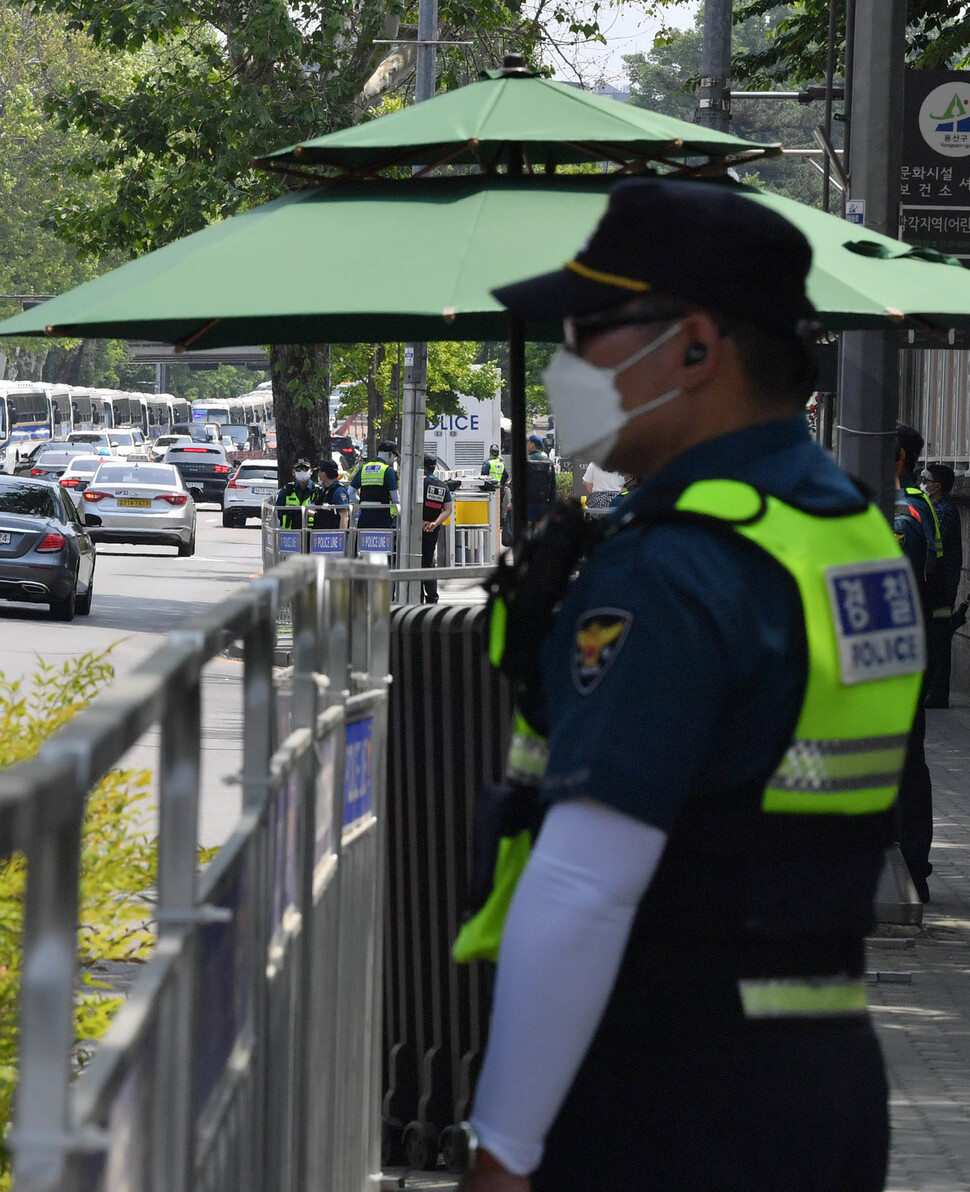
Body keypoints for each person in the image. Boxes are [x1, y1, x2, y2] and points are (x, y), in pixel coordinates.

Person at [457, 178, 926, 1192]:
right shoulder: (843, 532)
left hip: (669, 1092)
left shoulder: (675, 566)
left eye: (591, 329)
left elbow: (583, 886)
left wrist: (501, 1148)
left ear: (697, 346)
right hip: (820, 1081)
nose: (566, 362)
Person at [922, 462, 963, 707]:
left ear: (936, 487)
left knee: (940, 636)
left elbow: (933, 546)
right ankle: (935, 691)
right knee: (936, 635)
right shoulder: (934, 508)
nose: (922, 484)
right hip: (937, 585)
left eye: (926, 480)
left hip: (942, 588)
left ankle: (938, 693)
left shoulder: (944, 511)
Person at [421, 455, 453, 604]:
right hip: (432, 530)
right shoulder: (442, 485)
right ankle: (432, 597)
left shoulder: (418, 482)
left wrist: (419, 522)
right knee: (428, 562)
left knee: (412, 561)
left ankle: (416, 595)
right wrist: (434, 523)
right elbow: (447, 510)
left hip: (416, 529)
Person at [349, 439, 400, 529]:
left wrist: (362, 504)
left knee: (363, 542)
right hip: (382, 518)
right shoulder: (388, 470)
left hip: (364, 518)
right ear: (390, 454)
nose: (393, 460)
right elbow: (396, 499)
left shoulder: (364, 468)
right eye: (395, 457)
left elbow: (350, 493)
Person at [274, 458, 317, 530]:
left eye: (305, 469)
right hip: (290, 534)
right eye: (298, 469)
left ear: (311, 471)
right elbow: (278, 511)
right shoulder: (286, 490)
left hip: (311, 534)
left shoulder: (317, 491)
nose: (302, 471)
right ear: (293, 472)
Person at [525, 435, 556, 525]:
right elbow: (553, 484)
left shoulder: (525, 460)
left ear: (532, 445)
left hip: (527, 503)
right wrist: (552, 503)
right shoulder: (548, 461)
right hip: (543, 502)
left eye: (527, 442)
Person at [312, 459, 351, 530]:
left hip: (333, 536)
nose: (318, 475)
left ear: (324, 474)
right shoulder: (326, 490)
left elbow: (344, 516)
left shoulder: (339, 491)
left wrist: (341, 536)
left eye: (319, 472)